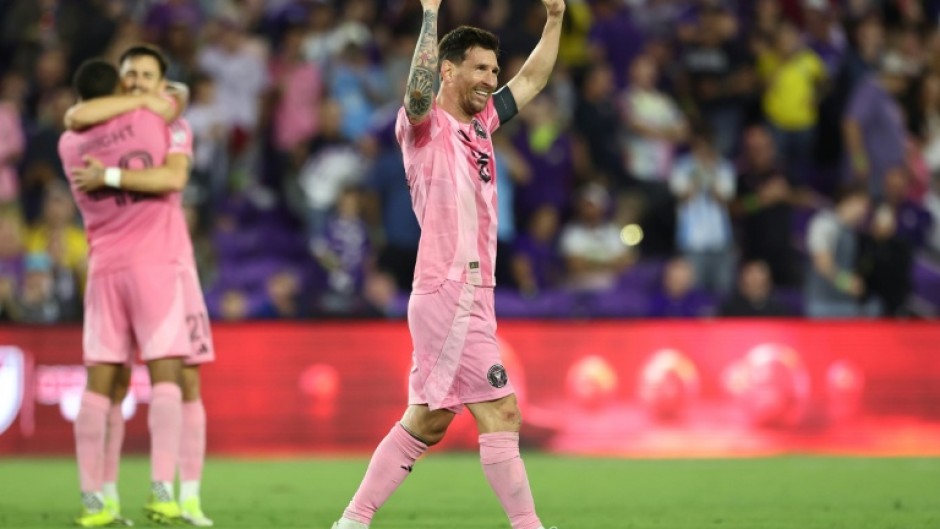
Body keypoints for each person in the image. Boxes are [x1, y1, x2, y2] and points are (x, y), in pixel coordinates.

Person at [330, 0, 565, 528]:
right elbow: (417, 94)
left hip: (471, 290)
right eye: (480, 68)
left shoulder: (482, 123)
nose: (491, 80)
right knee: (501, 410)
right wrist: (430, 14)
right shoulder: (423, 125)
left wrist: (554, 20)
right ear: (448, 70)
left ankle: (352, 521)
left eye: (494, 70)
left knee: (428, 421)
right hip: (450, 287)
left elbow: (532, 80)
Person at [66, 45, 216, 527]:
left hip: (120, 267)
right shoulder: (158, 120)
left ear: (160, 79)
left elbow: (76, 115)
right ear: (118, 81)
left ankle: (121, 500)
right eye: (129, 74)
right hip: (156, 267)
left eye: (146, 76)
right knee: (160, 376)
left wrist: (107, 173)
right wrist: (156, 101)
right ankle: (158, 493)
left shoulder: (75, 140)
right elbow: (172, 175)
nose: (136, 82)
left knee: (132, 380)